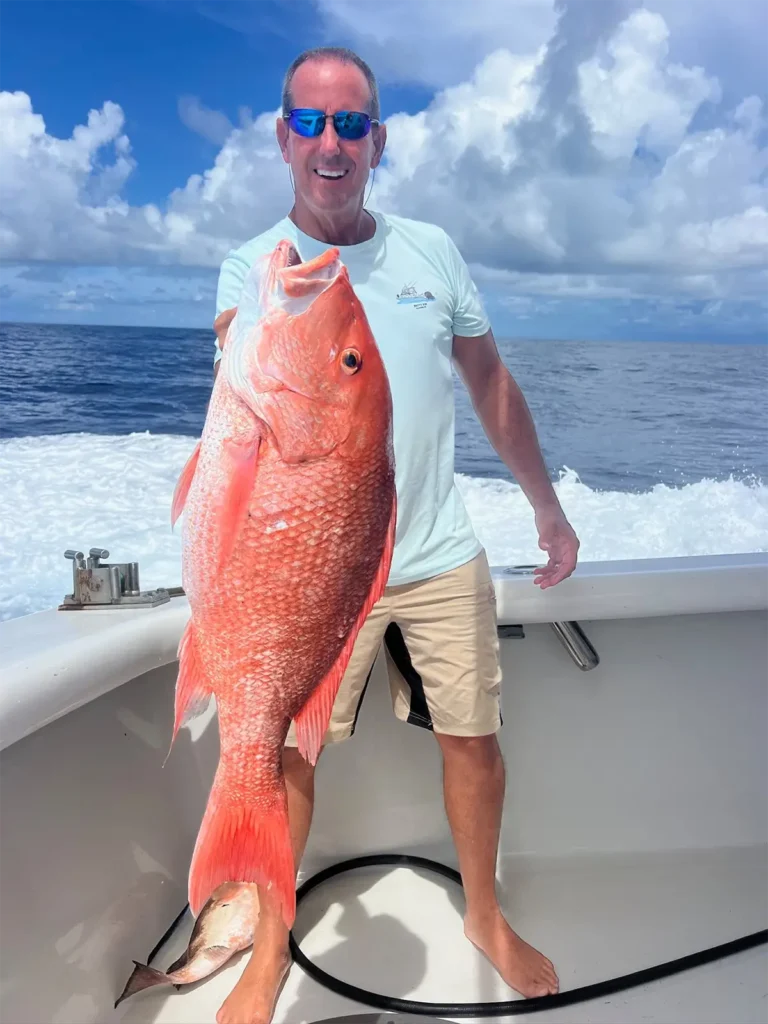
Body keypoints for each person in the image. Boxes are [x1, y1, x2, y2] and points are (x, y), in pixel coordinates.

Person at [211, 45, 580, 1024]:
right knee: (286, 757)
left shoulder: (432, 253)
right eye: (311, 121)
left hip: (432, 552)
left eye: (351, 123)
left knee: (476, 743)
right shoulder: (251, 269)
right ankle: (268, 952)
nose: (331, 142)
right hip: (313, 565)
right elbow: (236, 430)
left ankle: (485, 915)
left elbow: (491, 385)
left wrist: (547, 504)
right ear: (284, 134)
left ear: (378, 138)